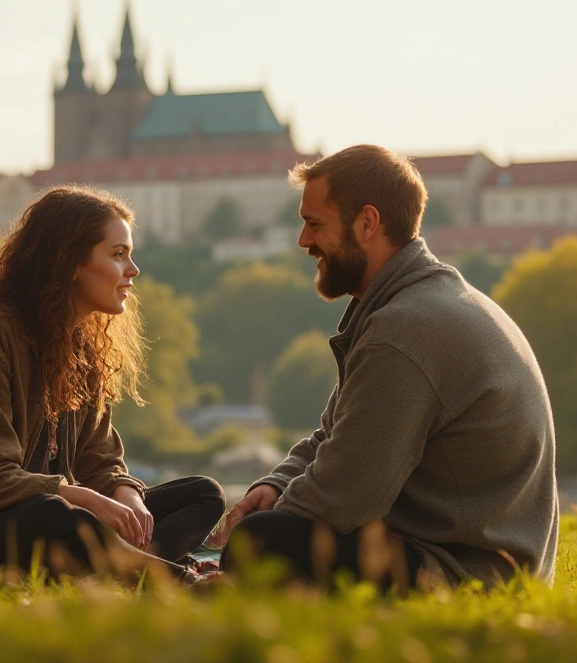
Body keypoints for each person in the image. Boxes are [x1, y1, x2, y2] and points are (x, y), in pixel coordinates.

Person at [211, 145, 558, 590]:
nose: (303, 241)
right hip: (478, 559)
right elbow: (334, 434)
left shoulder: (405, 328)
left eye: (315, 224)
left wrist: (258, 529)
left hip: (465, 575)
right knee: (270, 529)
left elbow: (346, 495)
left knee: (263, 540)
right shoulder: (414, 303)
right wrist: (277, 486)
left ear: (368, 223)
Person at [0, 186, 225, 581]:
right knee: (54, 515)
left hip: (51, 516)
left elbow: (100, 459)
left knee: (202, 494)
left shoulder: (84, 342)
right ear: (69, 261)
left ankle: (112, 565)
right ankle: (182, 582)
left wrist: (127, 496)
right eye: (118, 254)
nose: (133, 270)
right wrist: (84, 497)